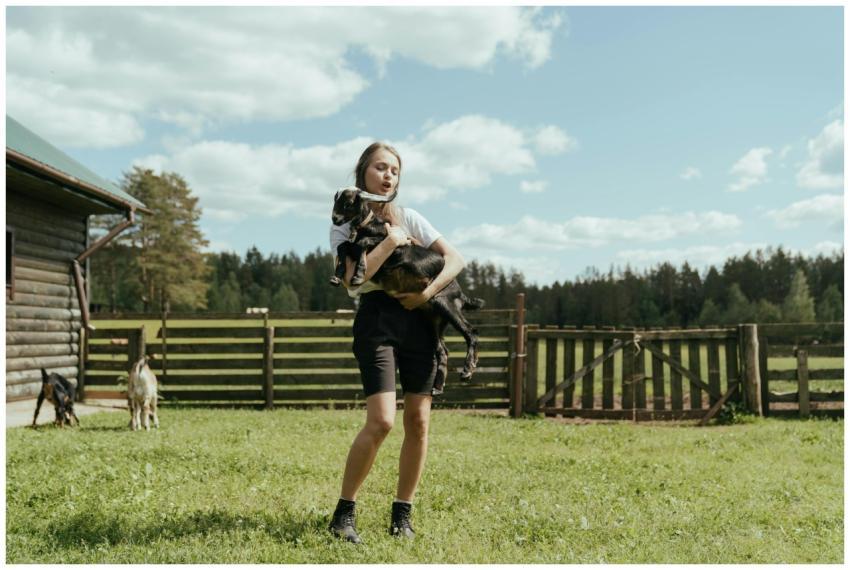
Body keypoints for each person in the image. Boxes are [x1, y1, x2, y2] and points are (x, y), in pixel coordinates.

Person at [327, 142, 465, 544]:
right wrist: (391, 241)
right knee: (382, 420)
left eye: (395, 171)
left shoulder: (410, 217)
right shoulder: (345, 221)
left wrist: (427, 295)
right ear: (363, 174)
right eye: (380, 168)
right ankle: (343, 514)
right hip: (377, 320)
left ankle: (402, 515)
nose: (388, 176)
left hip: (419, 320)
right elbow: (353, 279)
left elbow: (455, 259)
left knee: (419, 422)